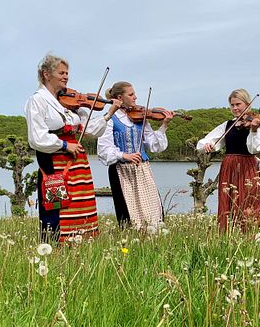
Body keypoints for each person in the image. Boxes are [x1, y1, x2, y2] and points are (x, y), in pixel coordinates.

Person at [25, 54, 121, 243]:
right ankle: (54, 247)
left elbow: (90, 130)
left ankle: (80, 245)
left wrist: (109, 113)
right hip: (54, 162)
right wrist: (64, 144)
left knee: (81, 204)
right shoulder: (38, 100)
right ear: (46, 74)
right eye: (61, 72)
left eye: (67, 73)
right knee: (57, 207)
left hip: (78, 163)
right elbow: (36, 137)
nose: (66, 76)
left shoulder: (71, 104)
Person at [97, 81, 173, 229]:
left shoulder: (140, 117)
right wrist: (124, 155)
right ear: (120, 97)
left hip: (142, 169)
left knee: (152, 210)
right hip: (121, 170)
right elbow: (104, 149)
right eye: (131, 94)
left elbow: (152, 144)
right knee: (128, 214)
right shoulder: (110, 119)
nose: (135, 98)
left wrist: (164, 125)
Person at [197, 89, 260, 232]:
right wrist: (207, 145)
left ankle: (250, 234)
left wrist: (253, 130)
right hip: (229, 166)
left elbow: (254, 149)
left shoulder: (255, 123)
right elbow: (205, 142)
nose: (235, 108)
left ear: (247, 104)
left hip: (248, 166)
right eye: (232, 105)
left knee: (249, 200)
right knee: (228, 201)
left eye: (238, 104)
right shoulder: (227, 125)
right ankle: (227, 235)